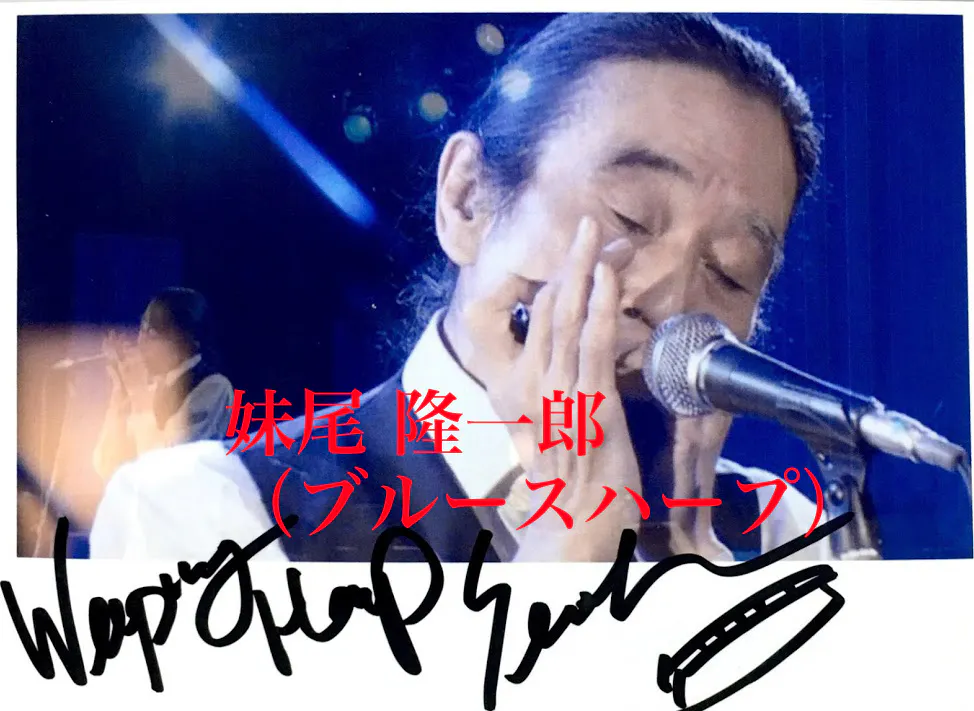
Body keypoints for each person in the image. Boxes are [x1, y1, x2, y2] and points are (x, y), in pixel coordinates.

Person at [90, 13, 832, 563]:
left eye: (730, 269)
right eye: (631, 216)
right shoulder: (205, 510)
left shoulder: (778, 533)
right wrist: (564, 579)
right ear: (467, 198)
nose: (670, 301)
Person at [91, 287, 234, 480]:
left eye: (152, 333)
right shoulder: (149, 388)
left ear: (187, 339)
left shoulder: (213, 388)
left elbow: (167, 466)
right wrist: (119, 391)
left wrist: (138, 393)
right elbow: (106, 464)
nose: (140, 342)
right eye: (141, 329)